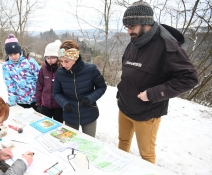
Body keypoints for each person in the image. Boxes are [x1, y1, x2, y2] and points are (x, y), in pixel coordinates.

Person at [116, 0, 198, 164]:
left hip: (146, 114)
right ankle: (118, 169)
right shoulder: (135, 41)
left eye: (131, 26)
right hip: (124, 108)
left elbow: (189, 78)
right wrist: (120, 93)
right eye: (127, 26)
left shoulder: (167, 45)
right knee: (123, 142)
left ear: (145, 23)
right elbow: (127, 71)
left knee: (146, 155)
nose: (128, 31)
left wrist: (152, 94)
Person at [53, 40, 107, 137]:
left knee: (90, 143)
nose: (63, 65)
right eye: (61, 61)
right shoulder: (60, 73)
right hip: (70, 115)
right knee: (71, 144)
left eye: (66, 61)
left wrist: (90, 98)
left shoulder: (91, 70)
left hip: (89, 113)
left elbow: (101, 87)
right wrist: (64, 104)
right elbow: (56, 93)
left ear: (75, 58)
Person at [2, 34, 40, 111]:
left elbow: (39, 79)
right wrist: (11, 101)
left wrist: (41, 97)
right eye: (10, 55)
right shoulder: (6, 66)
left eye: (15, 53)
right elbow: (10, 84)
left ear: (19, 51)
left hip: (36, 100)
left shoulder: (30, 62)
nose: (13, 57)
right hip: (21, 100)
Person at [36, 40, 63, 123]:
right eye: (47, 58)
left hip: (58, 105)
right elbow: (39, 86)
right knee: (45, 124)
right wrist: (38, 103)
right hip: (45, 104)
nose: (50, 60)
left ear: (58, 58)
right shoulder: (43, 69)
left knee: (58, 126)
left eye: (52, 58)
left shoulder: (62, 69)